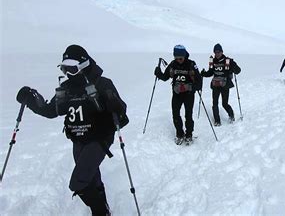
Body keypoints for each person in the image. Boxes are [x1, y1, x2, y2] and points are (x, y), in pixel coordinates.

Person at [16, 45, 128, 215]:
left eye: (72, 69)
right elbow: (51, 111)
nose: (68, 73)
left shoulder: (102, 83)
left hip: (99, 138)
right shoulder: (66, 88)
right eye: (64, 68)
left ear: (83, 66)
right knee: (91, 177)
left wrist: (116, 106)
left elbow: (121, 113)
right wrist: (31, 100)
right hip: (78, 139)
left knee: (78, 182)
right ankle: (103, 208)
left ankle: (100, 212)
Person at [154, 45, 202, 145]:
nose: (178, 60)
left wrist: (190, 88)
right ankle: (179, 134)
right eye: (176, 58)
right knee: (175, 114)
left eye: (180, 58)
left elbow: (199, 81)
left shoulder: (191, 64)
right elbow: (165, 77)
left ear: (185, 56)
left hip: (189, 94)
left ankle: (189, 135)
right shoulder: (172, 64)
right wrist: (158, 73)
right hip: (176, 94)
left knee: (188, 115)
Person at [201, 44, 241, 126]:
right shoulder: (212, 61)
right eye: (215, 52)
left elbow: (238, 70)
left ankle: (231, 115)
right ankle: (217, 121)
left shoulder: (228, 61)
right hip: (215, 85)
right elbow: (211, 72)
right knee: (215, 103)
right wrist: (204, 74)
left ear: (222, 52)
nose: (217, 54)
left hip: (225, 85)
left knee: (224, 104)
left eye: (218, 52)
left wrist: (234, 67)